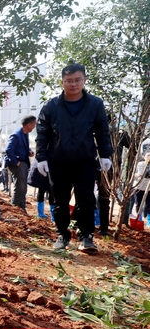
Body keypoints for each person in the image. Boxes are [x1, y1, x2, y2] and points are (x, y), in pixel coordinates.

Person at [36, 63, 113, 254]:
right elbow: (42, 132)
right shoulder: (51, 106)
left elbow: (102, 131)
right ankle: (62, 234)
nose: (73, 84)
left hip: (84, 161)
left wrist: (105, 154)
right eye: (69, 80)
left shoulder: (95, 104)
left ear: (84, 81)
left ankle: (86, 236)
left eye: (77, 80)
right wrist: (41, 157)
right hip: (58, 161)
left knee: (86, 199)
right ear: (62, 82)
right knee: (59, 200)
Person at [4, 115, 36, 212]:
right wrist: (15, 162)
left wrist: (29, 151)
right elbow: (8, 149)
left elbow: (23, 147)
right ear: (29, 125)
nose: (35, 126)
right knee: (19, 188)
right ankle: (14, 209)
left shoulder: (25, 134)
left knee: (23, 189)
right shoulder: (16, 135)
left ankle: (22, 209)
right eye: (34, 124)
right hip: (18, 164)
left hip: (24, 163)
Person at [133, 152, 150, 224]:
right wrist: (137, 175)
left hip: (148, 189)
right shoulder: (139, 164)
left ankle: (149, 220)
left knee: (149, 205)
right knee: (138, 204)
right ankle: (138, 219)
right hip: (138, 187)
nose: (149, 157)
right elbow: (133, 174)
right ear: (144, 157)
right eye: (148, 155)